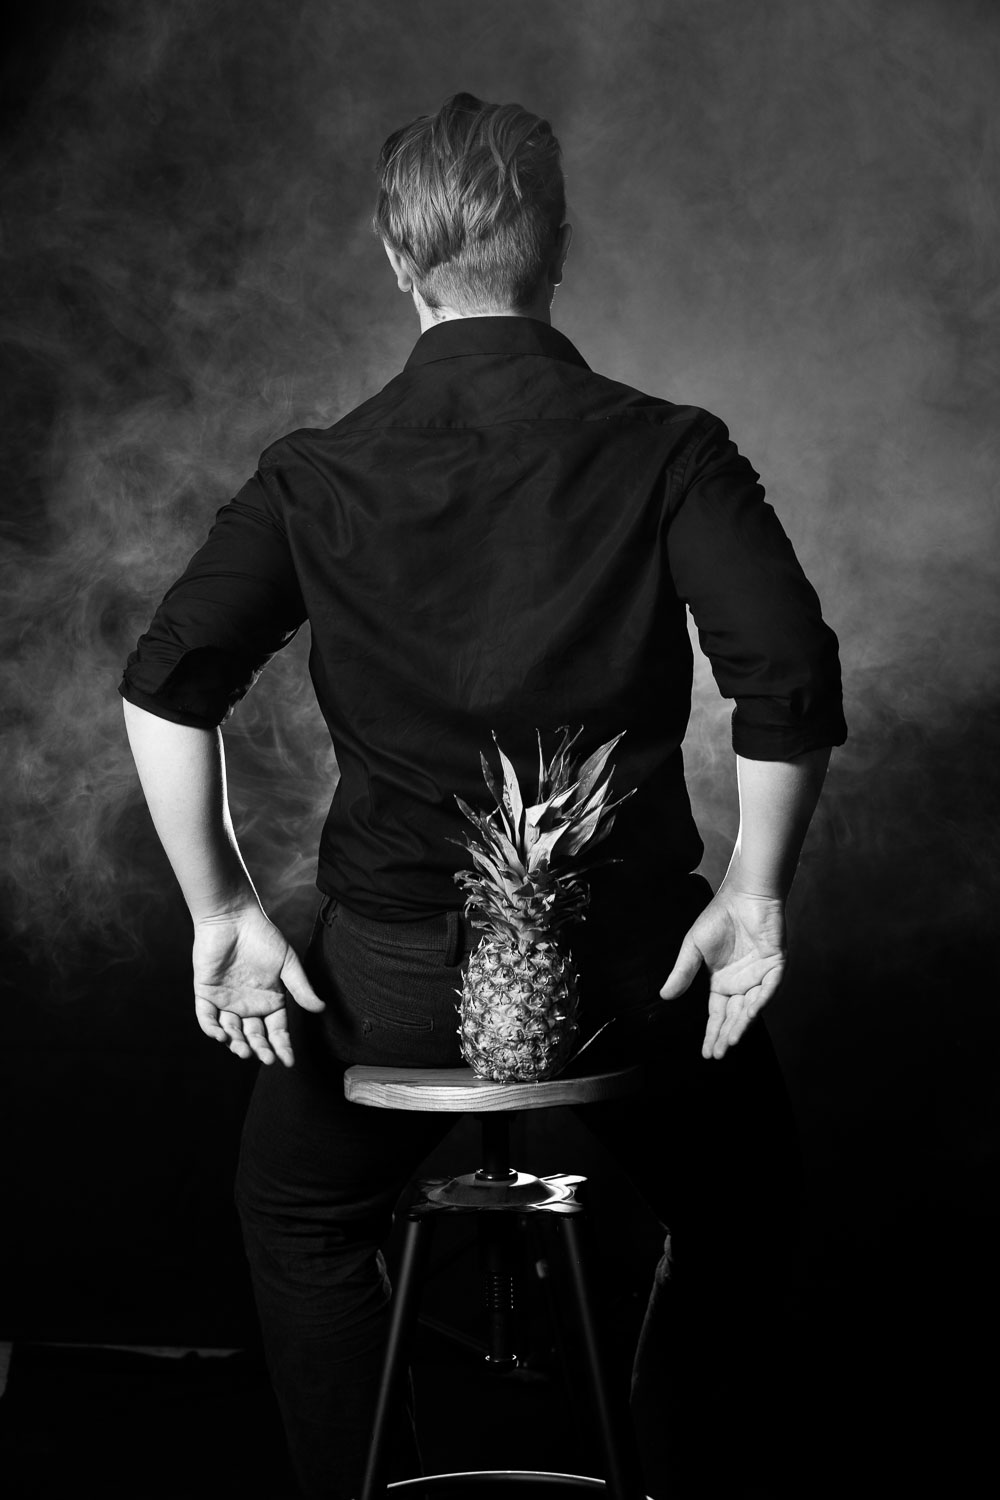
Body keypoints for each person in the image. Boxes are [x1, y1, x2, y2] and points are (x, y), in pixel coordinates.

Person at [121, 93, 846, 1499]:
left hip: (390, 978)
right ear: (559, 247)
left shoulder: (316, 472)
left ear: (398, 260)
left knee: (301, 1221)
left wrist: (223, 911)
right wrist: (756, 897)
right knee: (749, 1206)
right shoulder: (671, 447)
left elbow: (165, 687)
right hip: (630, 968)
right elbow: (789, 674)